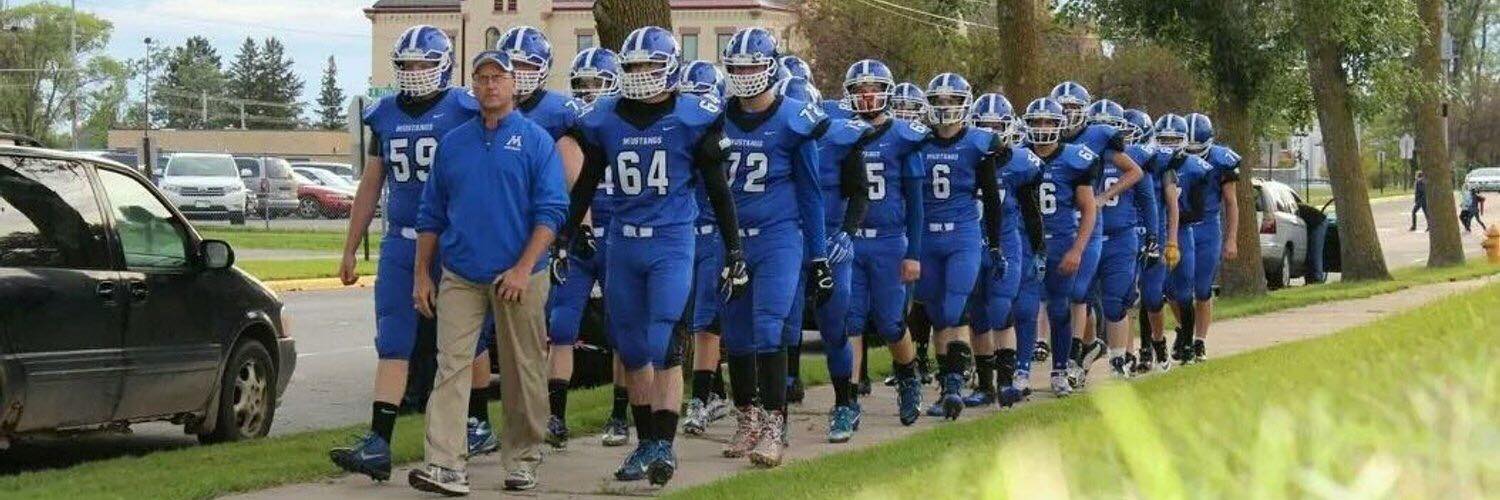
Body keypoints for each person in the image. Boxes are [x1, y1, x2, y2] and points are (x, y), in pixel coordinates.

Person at [553, 25, 747, 487]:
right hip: (623, 240)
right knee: (631, 345)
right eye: (634, 67)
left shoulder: (692, 116)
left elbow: (720, 194)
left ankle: (665, 444)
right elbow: (585, 185)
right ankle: (645, 442)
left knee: (664, 340)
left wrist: (734, 248)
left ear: (671, 68)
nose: (641, 75)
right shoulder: (605, 118)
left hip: (670, 240)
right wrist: (564, 237)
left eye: (649, 66)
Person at [408, 49, 569, 494]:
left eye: (498, 77)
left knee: (523, 370)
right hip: (460, 272)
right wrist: (422, 274)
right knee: (452, 365)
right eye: (481, 78)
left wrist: (521, 268)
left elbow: (552, 211)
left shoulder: (535, 141)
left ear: (513, 84)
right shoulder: (453, 143)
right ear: (471, 85)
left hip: (521, 274)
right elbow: (430, 214)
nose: (489, 85)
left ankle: (522, 457)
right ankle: (444, 463)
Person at [330, 25, 485, 483]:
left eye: (423, 64)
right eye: (407, 65)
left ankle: (478, 423)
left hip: (452, 239)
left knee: (464, 341)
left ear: (444, 66)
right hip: (400, 239)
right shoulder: (385, 115)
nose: (415, 73)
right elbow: (371, 184)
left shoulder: (464, 109)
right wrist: (350, 246)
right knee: (394, 340)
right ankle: (379, 442)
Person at [713, 28, 831, 467]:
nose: (744, 75)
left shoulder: (794, 119)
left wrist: (817, 256)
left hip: (780, 237)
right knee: (737, 335)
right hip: (732, 240)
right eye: (737, 67)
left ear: (771, 68)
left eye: (752, 66)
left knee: (767, 328)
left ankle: (774, 428)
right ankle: (748, 420)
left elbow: (812, 195)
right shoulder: (715, 117)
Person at [496, 24, 591, 452]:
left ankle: (540, 422)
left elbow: (576, 179)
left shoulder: (560, 113)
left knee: (543, 335)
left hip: (542, 236)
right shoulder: (483, 109)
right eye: (510, 64)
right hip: (496, 237)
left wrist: (579, 227)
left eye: (525, 64)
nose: (517, 71)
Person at [773, 76, 872, 443]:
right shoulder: (772, 139)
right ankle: (775, 415)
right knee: (781, 328)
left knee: (833, 328)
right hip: (786, 240)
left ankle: (845, 403)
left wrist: (847, 232)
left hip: (830, 240)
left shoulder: (840, 139)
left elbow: (860, 193)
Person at [551, 44, 638, 450]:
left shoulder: (627, 125)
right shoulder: (571, 132)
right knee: (562, 326)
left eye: (596, 84)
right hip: (578, 238)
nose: (587, 92)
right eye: (581, 85)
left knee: (623, 331)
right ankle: (555, 417)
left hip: (618, 237)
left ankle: (620, 415)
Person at [841, 59, 929, 426]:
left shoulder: (903, 137)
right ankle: (847, 403)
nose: (866, 96)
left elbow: (917, 205)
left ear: (887, 92)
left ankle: (908, 378)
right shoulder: (842, 133)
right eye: (859, 90)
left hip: (890, 241)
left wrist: (913, 254)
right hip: (852, 241)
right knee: (850, 322)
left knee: (892, 323)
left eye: (873, 88)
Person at [911, 72, 1002, 421]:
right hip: (926, 238)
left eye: (952, 101)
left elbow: (992, 202)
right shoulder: (918, 141)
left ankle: (955, 383)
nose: (945, 107)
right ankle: (948, 385)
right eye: (939, 101)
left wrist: (994, 245)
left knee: (952, 309)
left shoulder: (979, 144)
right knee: (935, 312)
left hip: (963, 233)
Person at [1049, 82, 1143, 388]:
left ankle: (1092, 358)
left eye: (1072, 109)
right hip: (1061, 224)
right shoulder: (1044, 136)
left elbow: (1134, 171)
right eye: (1061, 109)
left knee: (1086, 294)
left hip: (1092, 223)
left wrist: (1103, 196)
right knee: (1068, 298)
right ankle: (1084, 348)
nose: (1065, 114)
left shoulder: (1099, 136)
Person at [964, 92, 1045, 408]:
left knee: (1000, 307)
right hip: (971, 240)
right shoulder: (966, 158)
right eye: (985, 126)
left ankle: (1007, 381)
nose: (992, 132)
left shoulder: (1021, 163)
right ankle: (985, 384)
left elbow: (1031, 210)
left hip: (1007, 242)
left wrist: (1039, 248)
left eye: (997, 125)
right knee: (978, 314)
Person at [1021, 97, 1100, 398]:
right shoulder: (1019, 156)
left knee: (1058, 308)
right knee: (1024, 308)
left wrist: (1077, 249)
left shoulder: (1075, 159)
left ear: (1060, 125)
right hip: (1027, 244)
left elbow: (1089, 209)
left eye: (1049, 122)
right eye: (1037, 122)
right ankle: (1020, 371)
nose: (1042, 128)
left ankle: (1059, 371)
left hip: (1061, 242)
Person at [675, 59, 734, 438]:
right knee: (684, 315)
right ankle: (715, 392)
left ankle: (699, 399)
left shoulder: (722, 134)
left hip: (712, 229)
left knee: (705, 320)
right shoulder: (676, 130)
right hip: (682, 231)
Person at [1083, 99, 1154, 379]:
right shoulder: (1080, 155)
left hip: (1120, 235)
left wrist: (1153, 237)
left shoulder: (1131, 157)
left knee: (1116, 301)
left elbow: (1148, 200)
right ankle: (1085, 349)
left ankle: (1120, 358)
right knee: (1080, 298)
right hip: (1087, 235)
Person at [1124, 109, 1184, 374]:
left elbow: (1173, 207)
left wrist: (1172, 241)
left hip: (1154, 236)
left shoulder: (1161, 163)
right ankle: (1127, 354)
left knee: (1152, 297)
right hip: (1125, 236)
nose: (1127, 139)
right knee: (1123, 297)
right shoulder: (1114, 161)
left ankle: (1158, 344)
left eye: (1132, 134)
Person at [1180, 112, 1239, 364]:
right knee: (1175, 289)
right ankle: (1185, 331)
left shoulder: (1221, 159)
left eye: (1198, 149)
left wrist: (1231, 238)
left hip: (1207, 228)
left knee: (1202, 289)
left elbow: (1231, 203)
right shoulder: (1172, 157)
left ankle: (1199, 341)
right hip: (1181, 227)